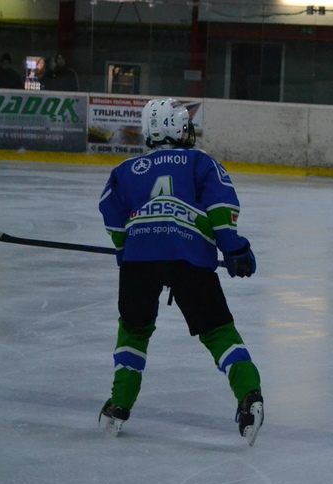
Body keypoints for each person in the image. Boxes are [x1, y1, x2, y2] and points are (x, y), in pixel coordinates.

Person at [97, 98, 265, 445]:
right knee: (218, 332)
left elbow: (112, 215)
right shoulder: (200, 161)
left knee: (134, 331)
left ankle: (118, 405)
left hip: (140, 260)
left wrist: (125, 251)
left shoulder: (125, 170)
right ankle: (249, 396)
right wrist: (234, 249)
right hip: (189, 256)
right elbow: (221, 208)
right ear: (178, 128)